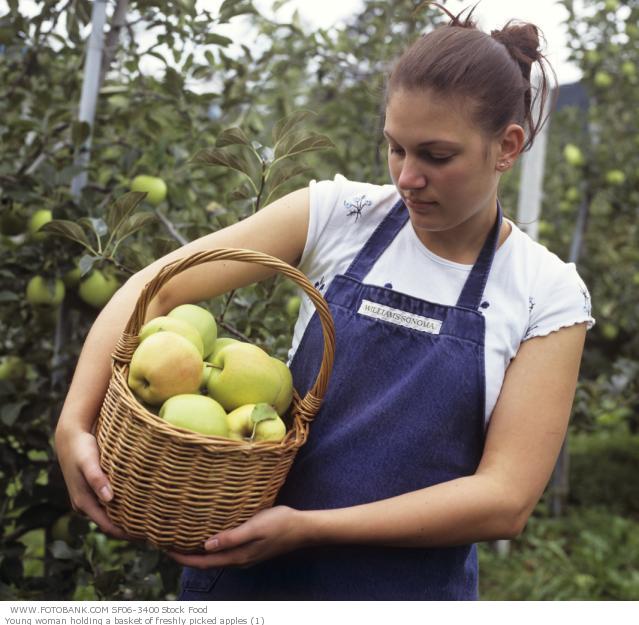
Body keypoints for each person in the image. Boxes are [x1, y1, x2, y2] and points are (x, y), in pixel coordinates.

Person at [55, 4, 595, 600]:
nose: (406, 178)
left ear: (507, 146)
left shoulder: (545, 291)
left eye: (436, 157)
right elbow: (154, 287)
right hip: (249, 582)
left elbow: (504, 500)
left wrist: (309, 529)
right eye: (396, 149)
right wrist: (73, 421)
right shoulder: (339, 216)